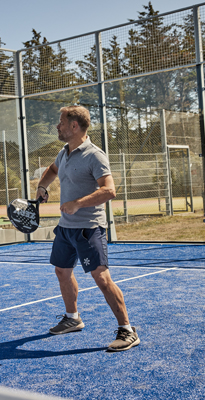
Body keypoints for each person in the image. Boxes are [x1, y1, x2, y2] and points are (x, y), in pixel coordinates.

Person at [36, 106, 139, 352]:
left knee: (101, 278)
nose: (58, 127)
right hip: (65, 229)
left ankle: (127, 330)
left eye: (61, 122)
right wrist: (42, 186)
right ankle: (73, 318)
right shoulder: (64, 153)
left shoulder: (95, 155)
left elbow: (109, 190)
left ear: (74, 126)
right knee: (62, 271)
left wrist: (77, 204)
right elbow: (52, 170)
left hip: (89, 228)